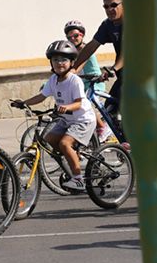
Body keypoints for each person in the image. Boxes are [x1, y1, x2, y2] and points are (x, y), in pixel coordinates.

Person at [10, 40, 97, 192]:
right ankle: (72, 157)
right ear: (51, 63)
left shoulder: (74, 81)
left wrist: (66, 107)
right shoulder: (53, 80)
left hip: (83, 120)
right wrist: (24, 103)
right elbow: (41, 96)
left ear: (71, 62)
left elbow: (79, 103)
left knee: (64, 144)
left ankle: (78, 180)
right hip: (67, 119)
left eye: (64, 59)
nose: (59, 63)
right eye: (55, 59)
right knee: (49, 140)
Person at [70, 0, 124, 128]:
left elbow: (130, 52)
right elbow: (91, 46)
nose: (110, 9)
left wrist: (114, 69)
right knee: (110, 110)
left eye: (114, 5)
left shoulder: (133, 23)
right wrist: (73, 69)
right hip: (124, 75)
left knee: (130, 108)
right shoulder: (107, 25)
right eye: (106, 6)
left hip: (143, 74)